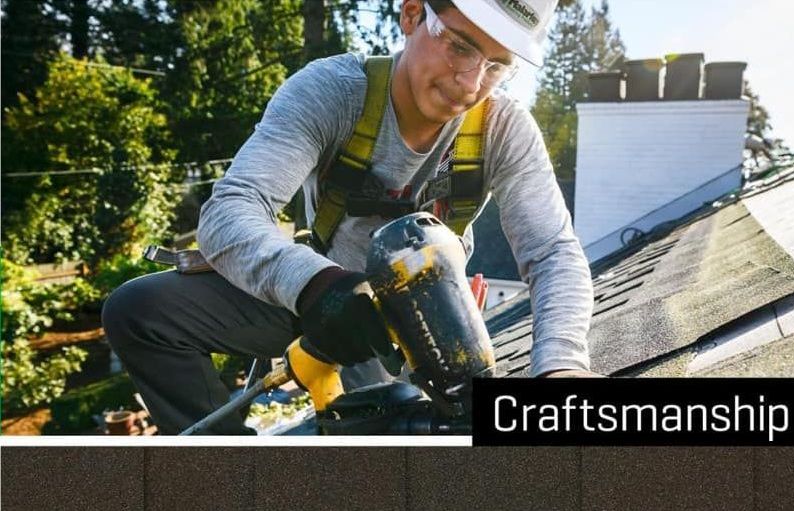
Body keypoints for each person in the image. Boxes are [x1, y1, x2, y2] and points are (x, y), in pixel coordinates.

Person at [102, 0, 594, 434]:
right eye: (460, 47)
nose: (470, 83)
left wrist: (562, 367)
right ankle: (228, 480)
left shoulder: (503, 130)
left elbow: (552, 252)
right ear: (412, 13)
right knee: (141, 312)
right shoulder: (333, 93)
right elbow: (230, 210)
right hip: (316, 297)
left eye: (496, 66)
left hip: (423, 325)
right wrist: (316, 285)